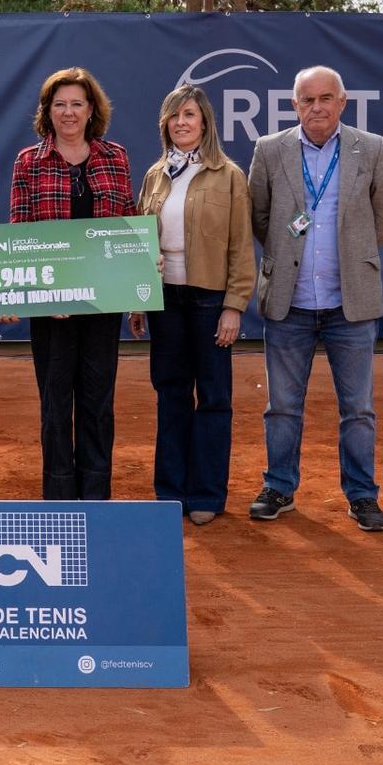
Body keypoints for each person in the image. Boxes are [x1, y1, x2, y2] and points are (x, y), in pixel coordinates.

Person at [247, 65, 383, 532]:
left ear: (342, 102)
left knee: (358, 408)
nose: (316, 107)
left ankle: (362, 495)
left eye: (325, 98)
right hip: (289, 303)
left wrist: (352, 255)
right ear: (294, 105)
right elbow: (260, 216)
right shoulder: (269, 150)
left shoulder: (370, 148)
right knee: (282, 406)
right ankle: (279, 486)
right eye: (306, 99)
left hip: (348, 304)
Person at [128, 85, 255, 525]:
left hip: (210, 299)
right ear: (164, 123)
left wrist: (234, 305)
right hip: (165, 300)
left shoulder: (230, 175)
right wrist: (138, 301)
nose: (181, 122)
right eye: (173, 116)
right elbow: (141, 244)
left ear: (205, 122)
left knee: (214, 397)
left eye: (189, 114)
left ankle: (206, 494)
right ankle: (171, 491)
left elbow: (241, 247)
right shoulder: (154, 175)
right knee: (171, 393)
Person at [10, 66, 134, 501]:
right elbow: (20, 235)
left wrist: (138, 279)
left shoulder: (115, 157)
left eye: (76, 103)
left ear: (91, 109)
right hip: (52, 309)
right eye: (59, 104)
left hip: (104, 306)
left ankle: (97, 495)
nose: (68, 112)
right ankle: (60, 496)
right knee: (56, 405)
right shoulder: (28, 162)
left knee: (98, 404)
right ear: (47, 111)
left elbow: (129, 224)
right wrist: (43, 294)